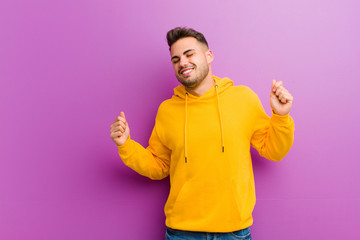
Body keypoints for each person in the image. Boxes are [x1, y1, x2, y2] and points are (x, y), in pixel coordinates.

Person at [110, 27, 294, 240]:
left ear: (209, 56)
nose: (183, 63)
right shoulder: (167, 111)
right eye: (176, 59)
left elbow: (274, 151)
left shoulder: (243, 99)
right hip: (182, 233)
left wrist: (280, 117)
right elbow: (159, 166)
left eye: (190, 54)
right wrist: (126, 145)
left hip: (234, 232)